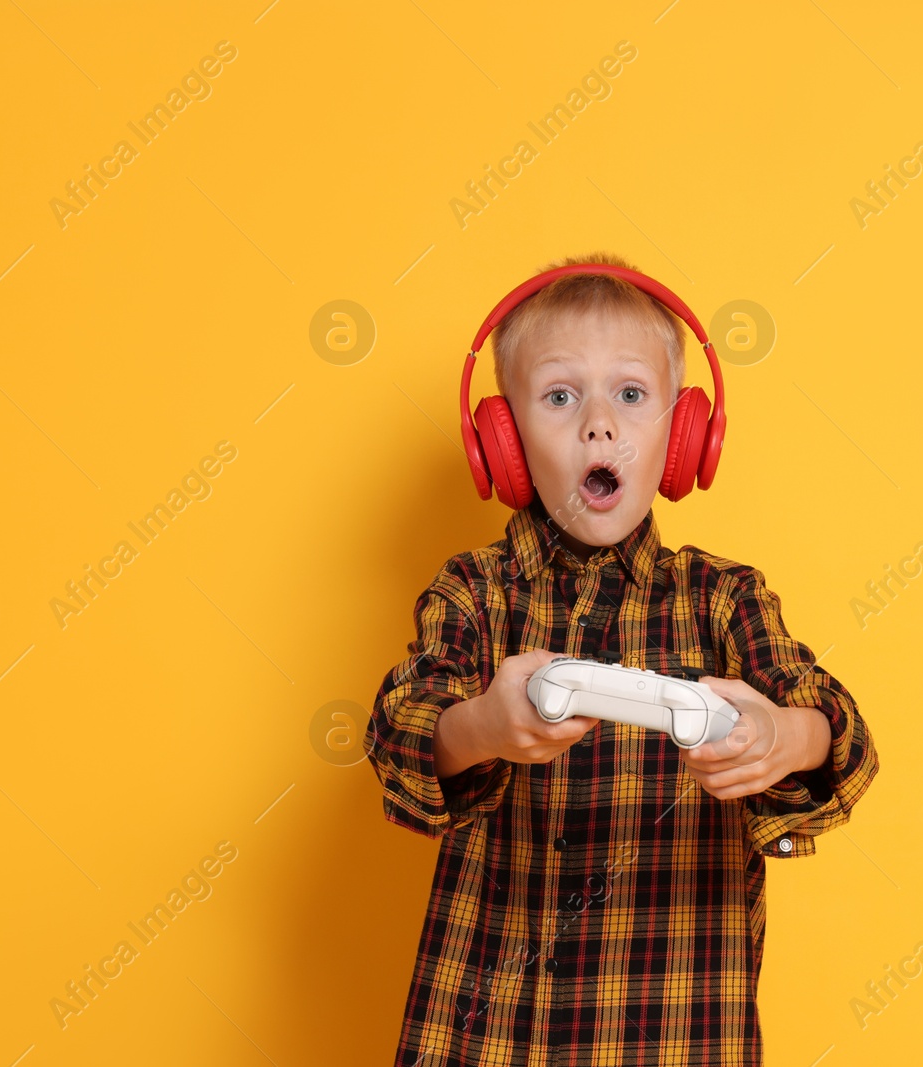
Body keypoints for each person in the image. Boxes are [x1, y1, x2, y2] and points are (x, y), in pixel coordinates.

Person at [365, 252, 879, 1066]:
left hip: (676, 1033)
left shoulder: (723, 598)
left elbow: (839, 735)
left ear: (683, 436)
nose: (597, 424)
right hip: (487, 1036)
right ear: (502, 439)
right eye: (560, 395)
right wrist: (485, 725)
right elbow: (400, 734)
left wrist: (783, 736)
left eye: (631, 395)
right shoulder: (474, 592)